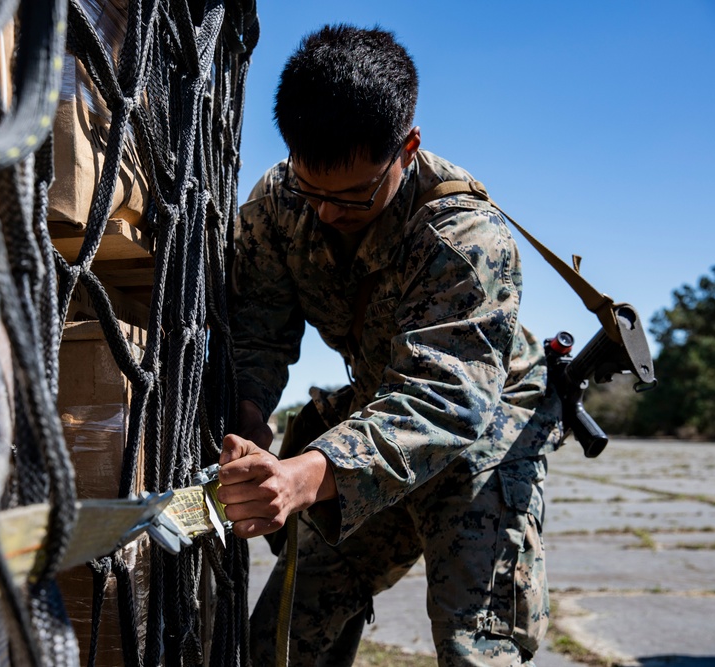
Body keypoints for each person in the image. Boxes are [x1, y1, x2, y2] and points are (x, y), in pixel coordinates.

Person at [215, 24, 564, 666]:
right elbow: (258, 331)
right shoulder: (277, 206)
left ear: (407, 147)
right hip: (374, 427)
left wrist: (302, 476)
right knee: (283, 641)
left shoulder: (466, 241)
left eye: (353, 196)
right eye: (312, 189)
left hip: (484, 436)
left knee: (475, 649)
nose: (327, 213)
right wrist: (248, 427)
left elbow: (444, 402)